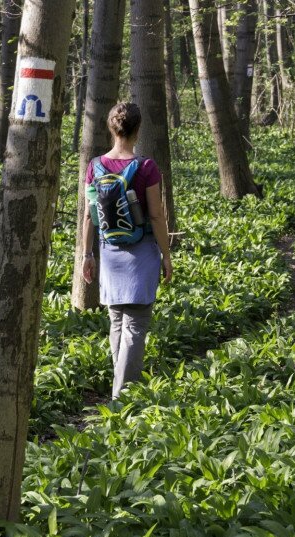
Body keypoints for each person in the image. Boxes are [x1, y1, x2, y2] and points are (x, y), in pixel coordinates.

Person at [81, 102, 173, 399]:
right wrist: (166, 255)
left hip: (109, 251)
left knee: (118, 321)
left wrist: (87, 255)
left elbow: (88, 215)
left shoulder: (94, 166)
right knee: (136, 324)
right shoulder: (146, 167)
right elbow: (157, 215)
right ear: (137, 129)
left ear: (111, 128)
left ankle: (121, 388)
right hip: (141, 251)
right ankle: (122, 399)